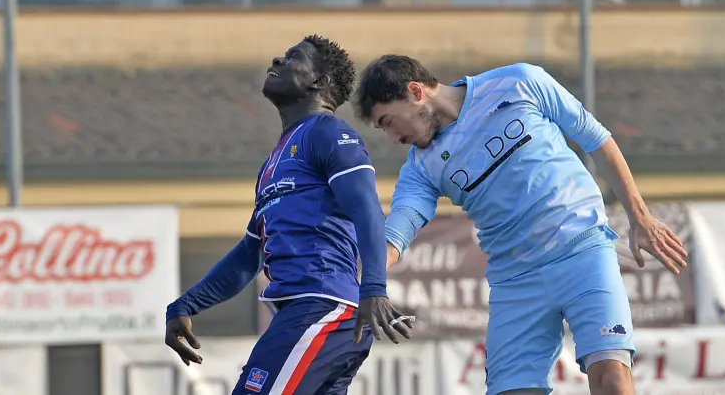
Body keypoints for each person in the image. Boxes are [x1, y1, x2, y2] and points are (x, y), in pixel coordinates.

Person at [352, 56, 688, 395]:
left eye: (389, 121)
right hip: (516, 281)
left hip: (583, 253)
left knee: (613, 379)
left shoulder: (519, 81)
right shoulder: (420, 168)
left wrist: (639, 216)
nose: (394, 137)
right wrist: (366, 281)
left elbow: (595, 138)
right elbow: (397, 231)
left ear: (415, 92)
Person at [164, 36, 413, 395]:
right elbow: (250, 254)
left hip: (323, 308)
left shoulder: (329, 132)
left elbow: (366, 208)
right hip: (309, 314)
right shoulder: (273, 162)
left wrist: (374, 287)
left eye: (294, 57)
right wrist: (185, 304)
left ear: (319, 82)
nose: (278, 59)